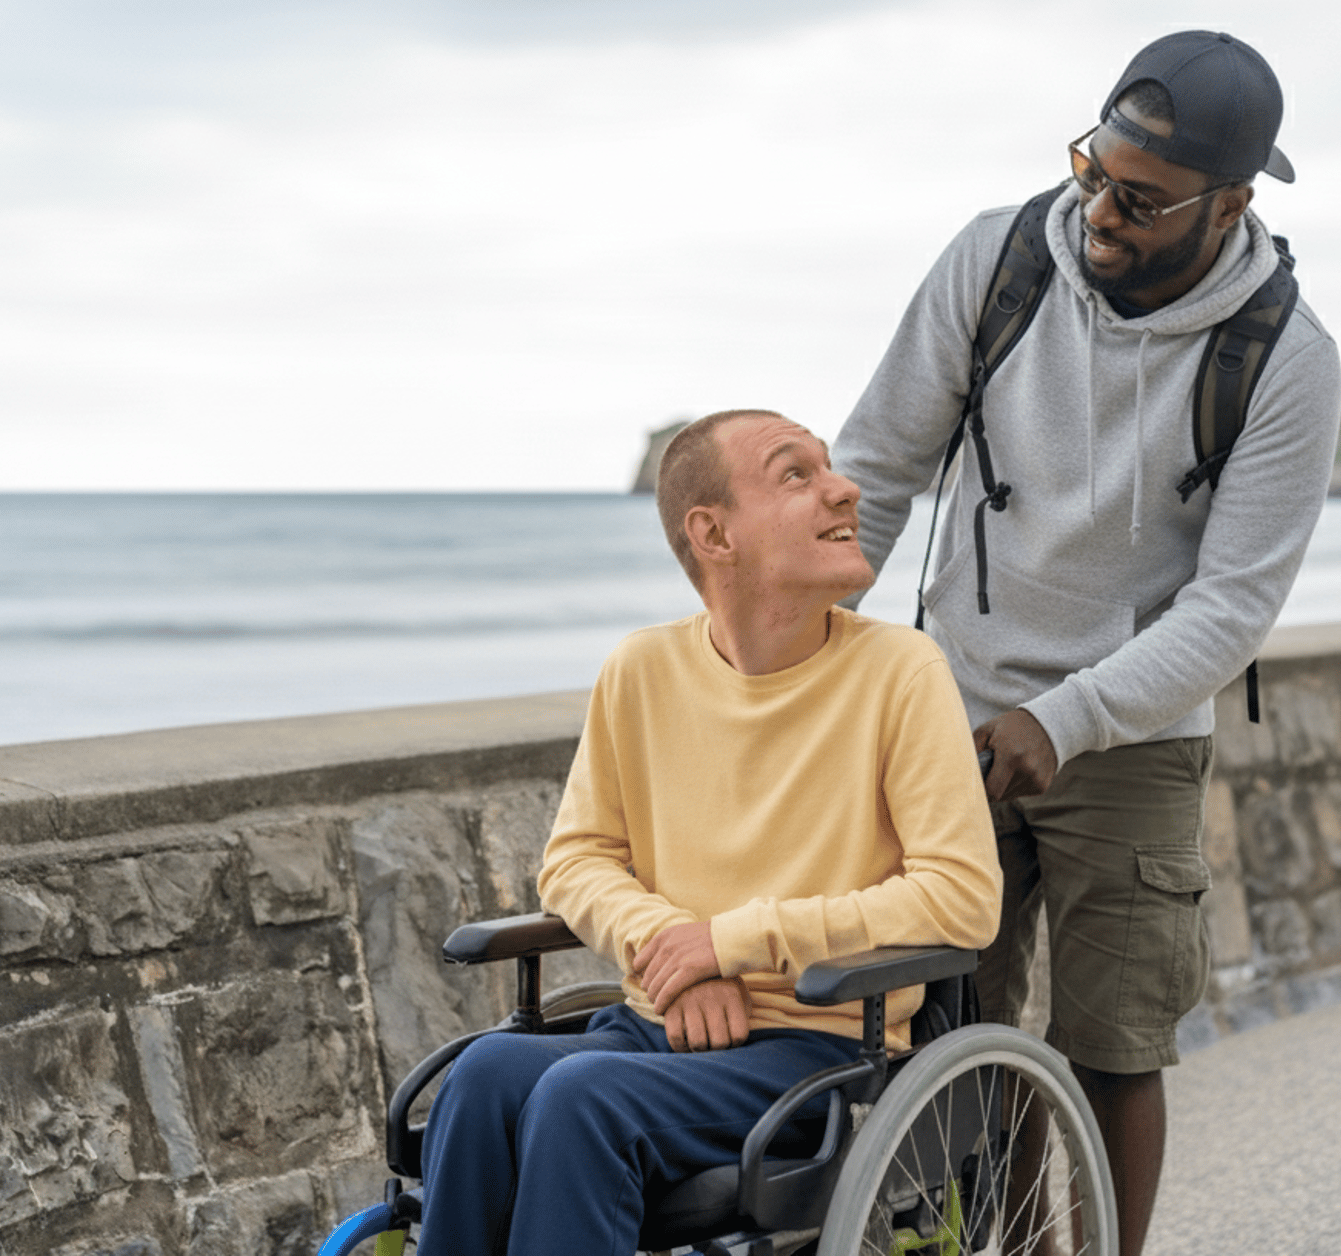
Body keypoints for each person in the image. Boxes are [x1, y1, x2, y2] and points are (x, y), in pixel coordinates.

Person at [832, 30, 1341, 1256]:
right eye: (1093, 169)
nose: (1100, 209)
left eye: (1141, 199)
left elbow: (1230, 609)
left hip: (1137, 735)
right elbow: (878, 467)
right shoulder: (1001, 259)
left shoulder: (1285, 358)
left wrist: (1062, 722)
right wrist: (800, 648)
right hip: (953, 706)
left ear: (1230, 204)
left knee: (1115, 1048)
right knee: (956, 1032)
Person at [413, 409, 1001, 1256]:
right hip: (655, 1027)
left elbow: (962, 900)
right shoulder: (642, 670)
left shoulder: (901, 673)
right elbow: (577, 861)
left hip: (815, 1046)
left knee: (582, 1099)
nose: (846, 489)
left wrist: (733, 944)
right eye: (795, 474)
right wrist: (673, 955)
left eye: (829, 468)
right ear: (712, 533)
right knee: (482, 1078)